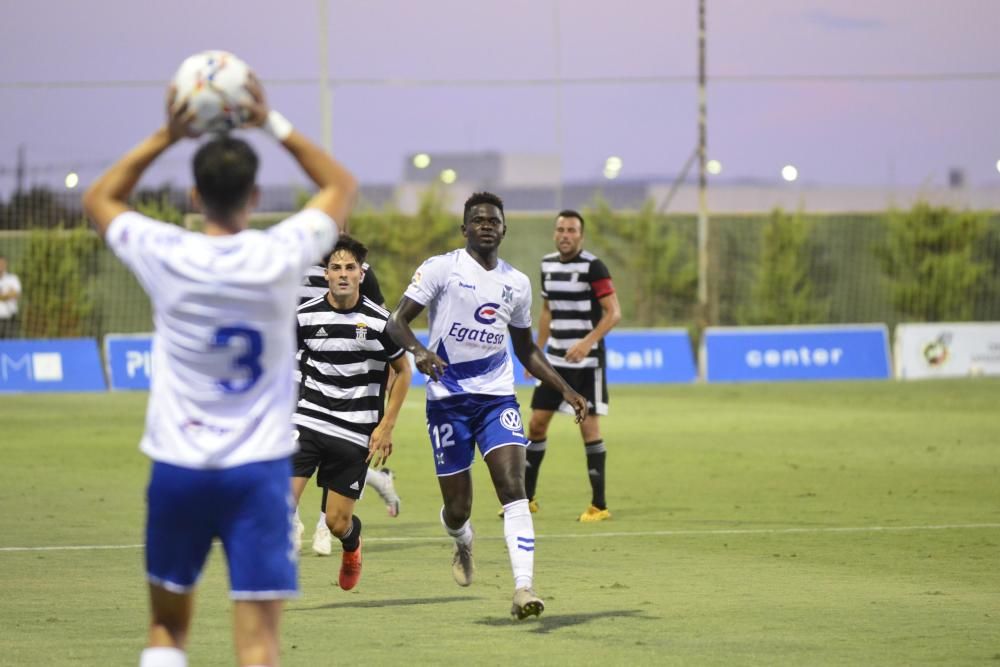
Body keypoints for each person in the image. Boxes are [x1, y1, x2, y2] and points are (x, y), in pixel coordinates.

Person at [82, 76, 357, 667]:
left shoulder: (167, 253)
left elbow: (101, 200)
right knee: (258, 646)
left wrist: (168, 132)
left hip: (179, 469)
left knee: (165, 631)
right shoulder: (280, 253)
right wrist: (269, 121)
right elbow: (340, 184)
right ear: (255, 196)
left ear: (193, 194)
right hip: (257, 477)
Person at [387, 191, 587, 620]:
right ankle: (462, 540)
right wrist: (420, 352)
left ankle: (523, 588)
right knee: (458, 508)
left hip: (497, 397)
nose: (485, 224)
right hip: (446, 402)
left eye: (493, 219)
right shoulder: (442, 269)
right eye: (477, 219)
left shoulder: (516, 283)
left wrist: (566, 389)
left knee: (514, 487)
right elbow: (395, 322)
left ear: (503, 229)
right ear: (465, 229)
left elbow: (526, 349)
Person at [290, 235, 411, 590]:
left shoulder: (380, 322)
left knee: (337, 523)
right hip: (308, 420)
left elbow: (404, 371)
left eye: (350, 268)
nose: (342, 274)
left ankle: (352, 545)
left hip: (355, 431)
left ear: (361, 275)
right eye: (336, 268)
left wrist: (386, 426)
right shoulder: (304, 315)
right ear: (325, 274)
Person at [525, 210, 621, 522]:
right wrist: (536, 353)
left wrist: (586, 342)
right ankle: (526, 500)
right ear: (555, 233)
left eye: (572, 230)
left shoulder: (594, 267)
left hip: (587, 363)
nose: (566, 235)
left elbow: (613, 313)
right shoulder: (547, 265)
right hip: (553, 363)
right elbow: (547, 312)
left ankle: (599, 505)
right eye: (561, 229)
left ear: (581, 236)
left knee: (589, 428)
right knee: (536, 424)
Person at [0, 255, 21, 338]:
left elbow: (16, 294)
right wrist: (7, 294)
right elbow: (10, 294)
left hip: (9, 318)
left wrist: (3, 296)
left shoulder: (12, 278)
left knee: (10, 344)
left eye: (2, 263)